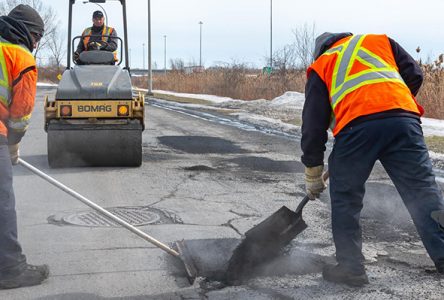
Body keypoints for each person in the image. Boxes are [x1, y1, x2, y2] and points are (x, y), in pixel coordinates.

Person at [301, 32, 444, 287]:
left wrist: (313, 171)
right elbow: (415, 75)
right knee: (423, 192)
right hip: (404, 122)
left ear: (321, 50)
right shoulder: (380, 41)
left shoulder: (322, 64)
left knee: (346, 198)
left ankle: (351, 269)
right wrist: (391, 107)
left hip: (357, 129)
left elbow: (313, 124)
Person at [0, 4, 49, 289]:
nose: (36, 43)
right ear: (29, 34)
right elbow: (20, 113)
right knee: (2, 203)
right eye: (37, 37)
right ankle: (10, 269)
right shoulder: (21, 57)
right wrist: (13, 145)